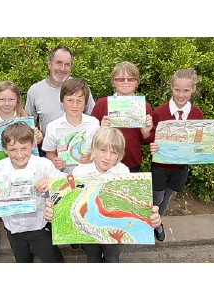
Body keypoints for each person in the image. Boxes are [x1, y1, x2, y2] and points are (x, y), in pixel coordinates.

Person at [43, 127, 162, 263]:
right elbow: (69, 203)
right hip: (88, 229)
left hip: (114, 231)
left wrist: (150, 218)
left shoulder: (123, 171)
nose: (107, 157)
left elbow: (131, 205)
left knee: (112, 257)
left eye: (114, 152)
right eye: (103, 150)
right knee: (92, 256)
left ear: (120, 154)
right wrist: (53, 214)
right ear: (93, 149)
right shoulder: (80, 171)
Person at [0, 122, 66, 263]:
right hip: (13, 228)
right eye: (13, 149)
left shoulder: (43, 165)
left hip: (39, 226)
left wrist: (51, 182)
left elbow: (67, 182)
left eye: (24, 148)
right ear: (5, 149)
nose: (19, 155)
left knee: (52, 258)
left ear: (32, 145)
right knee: (21, 259)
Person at [150, 68, 214, 242]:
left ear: (193, 90)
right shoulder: (159, 112)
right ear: (171, 88)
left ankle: (158, 223)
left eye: (186, 90)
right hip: (160, 167)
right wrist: (152, 145)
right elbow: (151, 137)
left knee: (167, 199)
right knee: (157, 197)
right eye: (177, 90)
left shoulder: (197, 114)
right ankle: (151, 221)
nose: (181, 95)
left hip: (181, 168)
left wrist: (213, 145)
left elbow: (201, 141)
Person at [91, 61, 154, 173]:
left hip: (131, 161)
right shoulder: (102, 104)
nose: (126, 82)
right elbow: (90, 134)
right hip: (103, 162)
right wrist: (101, 129)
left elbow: (148, 140)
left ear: (137, 83)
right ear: (113, 83)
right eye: (120, 79)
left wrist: (145, 132)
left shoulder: (144, 106)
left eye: (131, 79)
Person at [25, 46, 95, 143]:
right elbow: (28, 124)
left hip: (79, 149)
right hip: (47, 151)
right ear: (49, 64)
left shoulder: (81, 88)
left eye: (67, 64)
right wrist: (36, 135)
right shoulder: (35, 90)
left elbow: (92, 117)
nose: (62, 69)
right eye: (58, 63)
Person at [42, 78, 100, 174]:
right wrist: (55, 160)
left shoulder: (94, 124)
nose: (74, 105)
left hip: (89, 175)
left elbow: (100, 149)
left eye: (79, 101)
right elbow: (50, 152)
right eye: (70, 100)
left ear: (85, 103)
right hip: (63, 176)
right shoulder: (52, 126)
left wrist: (92, 156)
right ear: (62, 102)